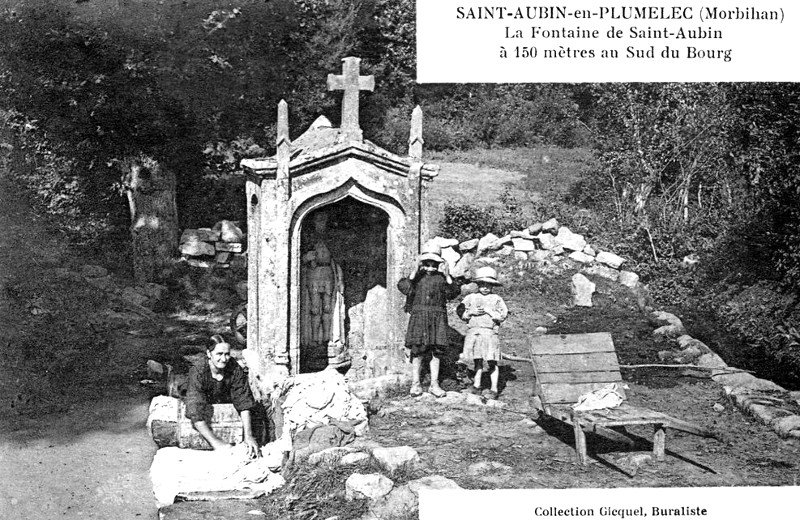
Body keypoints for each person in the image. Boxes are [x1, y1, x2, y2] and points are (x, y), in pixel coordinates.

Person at [397, 242, 460, 397]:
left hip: (437, 317)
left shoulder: (441, 279)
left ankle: (434, 384)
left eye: (434, 265)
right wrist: (414, 271)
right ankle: (415, 383)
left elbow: (454, 292)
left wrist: (447, 275)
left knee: (436, 352)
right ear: (421, 264)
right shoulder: (415, 278)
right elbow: (404, 287)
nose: (430, 268)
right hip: (419, 317)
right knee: (418, 351)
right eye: (427, 265)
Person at [184, 335, 260, 457]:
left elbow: (243, 400)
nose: (224, 359)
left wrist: (249, 436)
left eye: (227, 354)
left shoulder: (234, 368)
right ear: (209, 354)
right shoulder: (198, 371)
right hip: (204, 403)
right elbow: (195, 411)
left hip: (224, 401)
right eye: (219, 354)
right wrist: (216, 442)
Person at [458, 266, 508, 400]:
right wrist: (470, 313)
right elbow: (460, 311)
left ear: (493, 286)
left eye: (488, 285)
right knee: (477, 360)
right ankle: (477, 384)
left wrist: (489, 311)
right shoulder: (471, 297)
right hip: (475, 333)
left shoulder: (496, 298)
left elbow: (503, 315)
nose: (485, 288)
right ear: (478, 285)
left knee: (492, 361)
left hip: (489, 333)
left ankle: (494, 388)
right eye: (482, 285)